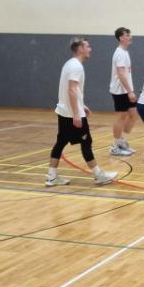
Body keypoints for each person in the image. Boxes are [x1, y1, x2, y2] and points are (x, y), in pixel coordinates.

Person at [46, 37, 118, 187]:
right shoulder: (76, 66)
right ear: (80, 48)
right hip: (71, 113)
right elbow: (71, 90)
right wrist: (77, 114)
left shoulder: (69, 64)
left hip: (64, 111)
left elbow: (72, 90)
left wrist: (81, 105)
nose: (90, 49)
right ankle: (99, 175)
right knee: (86, 142)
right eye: (87, 46)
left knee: (61, 142)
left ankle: (51, 177)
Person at [109, 27, 137, 157]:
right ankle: (115, 146)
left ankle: (121, 141)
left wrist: (130, 90)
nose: (130, 37)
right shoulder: (119, 53)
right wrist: (129, 91)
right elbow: (120, 74)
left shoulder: (125, 52)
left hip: (126, 90)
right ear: (121, 38)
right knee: (121, 117)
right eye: (127, 35)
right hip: (120, 90)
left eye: (130, 34)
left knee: (133, 115)